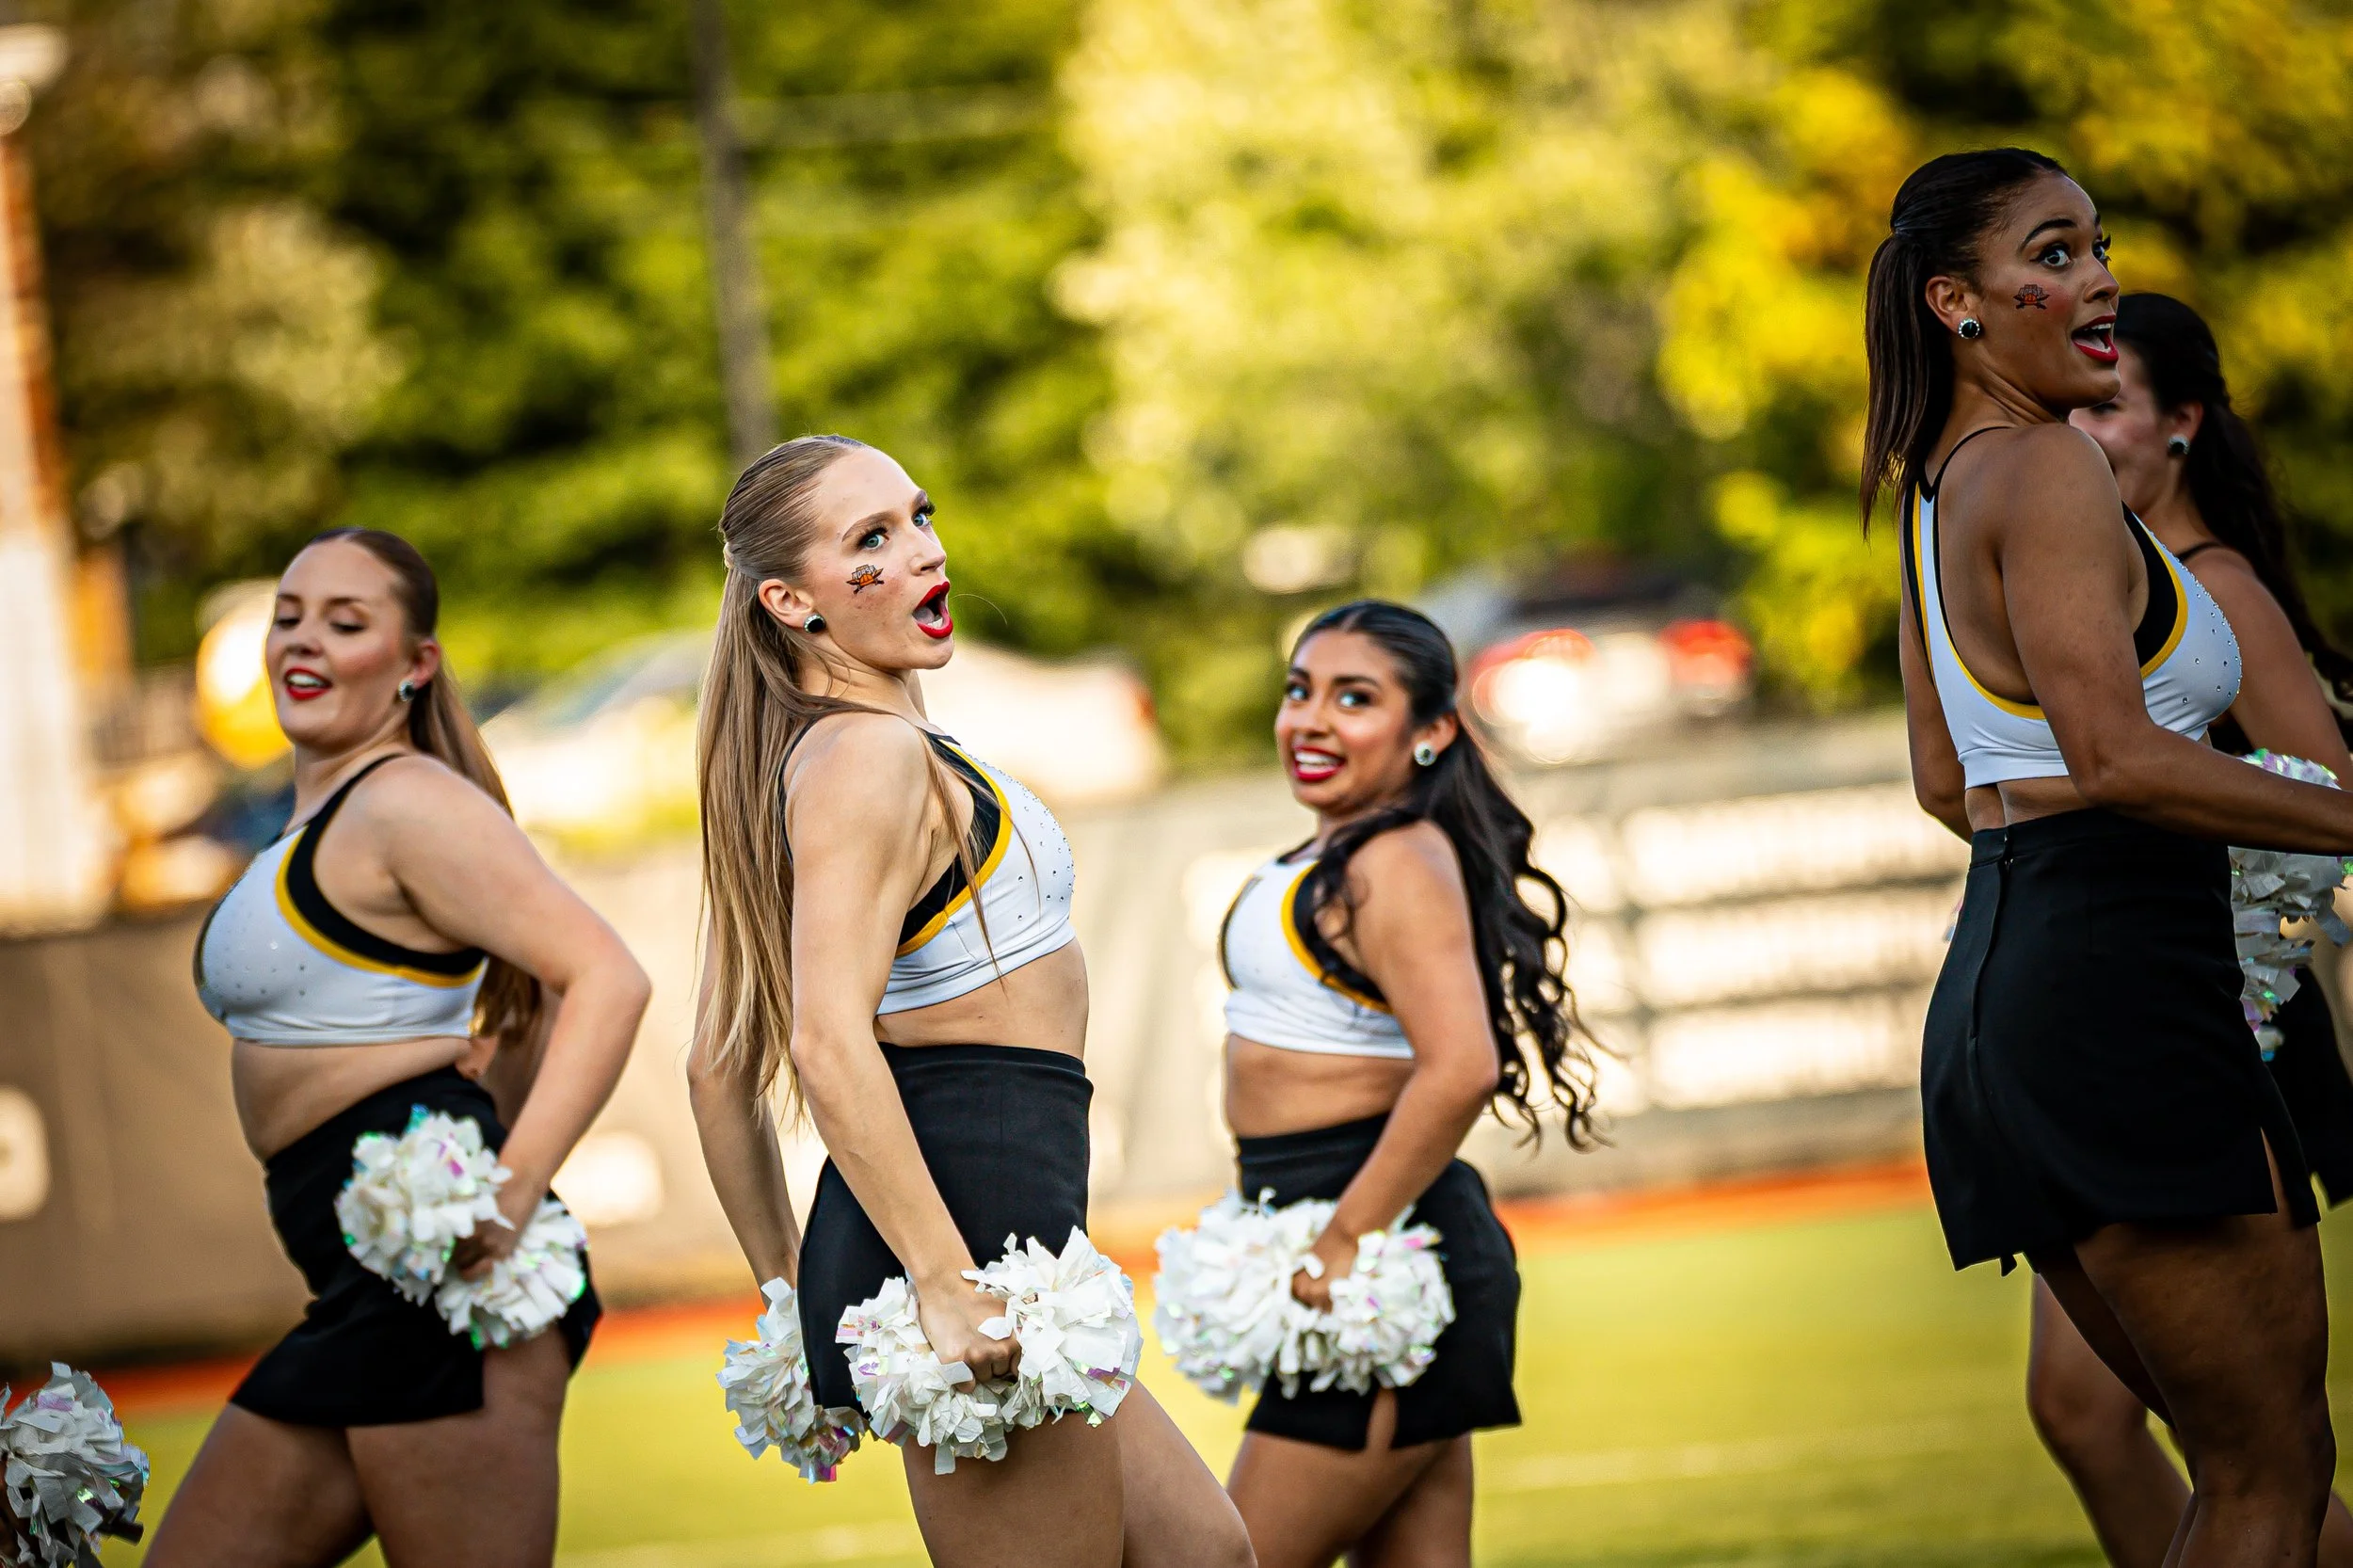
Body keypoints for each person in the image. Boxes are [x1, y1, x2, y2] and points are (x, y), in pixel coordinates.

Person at [1873, 147, 2353, 1568]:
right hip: (2121, 989)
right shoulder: (2047, 467)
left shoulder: (1932, 486)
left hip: (2002, 995)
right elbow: (2117, 757)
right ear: (1958, 300)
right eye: (2058, 250)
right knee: (2273, 1473)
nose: (2100, 276)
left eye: (2098, 245)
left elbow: (1949, 782)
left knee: (2236, 1476)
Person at [683, 435, 1253, 1568]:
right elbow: (817, 1040)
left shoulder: (861, 745)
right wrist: (939, 1279)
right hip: (970, 1240)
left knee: (1205, 1553)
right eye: (872, 540)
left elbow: (714, 1062)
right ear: (790, 600)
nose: (925, 553)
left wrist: (791, 1295)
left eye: (919, 517)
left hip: (996, 1225)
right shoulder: (860, 760)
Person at [151, 529, 650, 1567]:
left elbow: (606, 976)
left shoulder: (405, 801)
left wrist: (511, 1191)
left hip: (444, 1289)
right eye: (288, 616)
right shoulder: (315, 819)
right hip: (359, 1284)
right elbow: (522, 1015)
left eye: (347, 621)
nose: (306, 641)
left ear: (413, 664)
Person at [2020, 292, 2353, 1567]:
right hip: (2122, 1011)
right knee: (2118, 1420)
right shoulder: (2098, 590)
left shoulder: (2219, 593)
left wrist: (2217, 950)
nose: (2082, 428)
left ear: (2183, 425)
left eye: (2111, 403)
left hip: (2215, 1022)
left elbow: (2325, 795)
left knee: (2244, 1453)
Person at [1215, 600, 1596, 1568]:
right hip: (1357, 1247)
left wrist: (1343, 1237)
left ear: (1430, 731)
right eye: (1298, 690)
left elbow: (1462, 1063)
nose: (1309, 720)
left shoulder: (1392, 859)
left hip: (1380, 1257)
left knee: (1222, 1555)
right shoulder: (1330, 852)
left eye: (1354, 698)